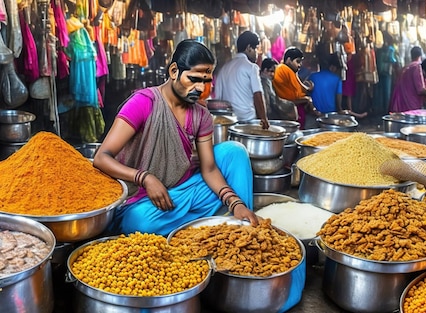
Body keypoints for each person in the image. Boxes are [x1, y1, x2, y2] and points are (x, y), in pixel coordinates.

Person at [93, 40, 259, 236]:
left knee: (235, 152)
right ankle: (208, 223)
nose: (200, 87)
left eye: (205, 81)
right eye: (194, 79)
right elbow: (101, 157)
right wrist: (144, 178)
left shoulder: (202, 115)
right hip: (144, 199)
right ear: (174, 71)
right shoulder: (144, 103)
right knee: (138, 222)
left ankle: (241, 224)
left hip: (185, 191)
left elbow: (209, 169)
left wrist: (235, 202)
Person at [214, 31, 269, 129]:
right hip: (248, 122)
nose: (257, 53)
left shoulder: (224, 69)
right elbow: (258, 94)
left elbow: (218, 99)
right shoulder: (251, 67)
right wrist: (264, 119)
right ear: (248, 48)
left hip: (229, 123)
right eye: (255, 48)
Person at [273, 47, 316, 129]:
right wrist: (307, 100)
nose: (300, 65)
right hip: (288, 114)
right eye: (298, 61)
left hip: (293, 113)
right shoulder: (283, 69)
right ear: (288, 60)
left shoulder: (290, 71)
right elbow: (291, 98)